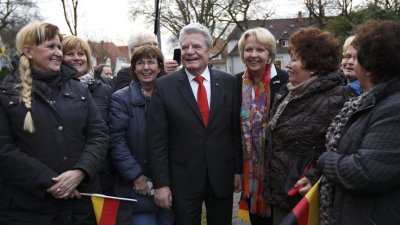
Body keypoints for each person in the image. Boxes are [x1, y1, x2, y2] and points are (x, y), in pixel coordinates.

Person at [0, 22, 108, 225]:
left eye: (59, 47)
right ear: (28, 51)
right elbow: (4, 149)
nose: (58, 52)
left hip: (80, 207)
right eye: (50, 46)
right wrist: (52, 182)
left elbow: (99, 135)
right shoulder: (6, 93)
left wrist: (80, 172)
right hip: (28, 210)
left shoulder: (79, 89)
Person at [146, 23, 242, 225]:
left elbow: (234, 131)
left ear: (209, 50)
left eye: (196, 46)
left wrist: (237, 170)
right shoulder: (164, 86)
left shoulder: (229, 82)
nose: (190, 52)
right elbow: (157, 141)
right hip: (183, 180)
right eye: (185, 47)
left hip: (221, 177)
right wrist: (161, 184)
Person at [263, 27, 351, 225]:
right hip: (282, 196)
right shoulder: (289, 92)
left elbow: (341, 151)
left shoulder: (338, 99)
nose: (287, 65)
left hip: (307, 200)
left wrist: (314, 176)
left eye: (294, 59)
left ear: (313, 65)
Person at [317, 20, 400, 225]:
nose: (352, 64)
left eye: (357, 59)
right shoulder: (373, 100)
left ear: (371, 68)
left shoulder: (393, 108)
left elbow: (367, 171)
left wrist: (325, 160)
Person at [109, 44, 174, 225]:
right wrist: (136, 176)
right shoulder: (121, 99)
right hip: (137, 187)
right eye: (140, 63)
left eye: (151, 62)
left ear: (159, 67)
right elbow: (116, 142)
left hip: (169, 183)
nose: (146, 68)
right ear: (134, 69)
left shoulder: (172, 95)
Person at [235, 27, 287, 225]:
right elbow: (234, 129)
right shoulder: (236, 82)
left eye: (260, 50)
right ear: (242, 53)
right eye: (249, 50)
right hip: (249, 170)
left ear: (270, 54)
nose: (254, 55)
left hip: (277, 172)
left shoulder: (285, 81)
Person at [62, 35, 114, 195]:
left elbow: (110, 132)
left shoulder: (105, 90)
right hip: (65, 174)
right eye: (70, 54)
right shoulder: (53, 90)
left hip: (100, 172)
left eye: (81, 53)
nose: (76, 58)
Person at [113, 30, 179, 91]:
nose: (153, 48)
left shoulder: (166, 70)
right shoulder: (125, 74)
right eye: (147, 45)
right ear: (132, 51)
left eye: (155, 45)